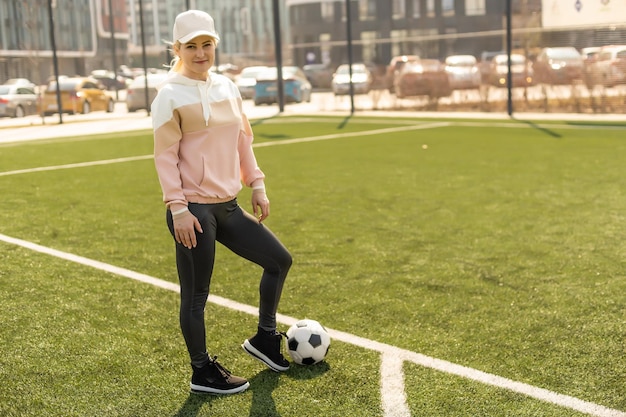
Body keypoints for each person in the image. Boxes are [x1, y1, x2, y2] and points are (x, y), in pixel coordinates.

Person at [151, 9, 293, 395]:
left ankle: (264, 338)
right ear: (177, 49)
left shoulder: (227, 86)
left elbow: (241, 140)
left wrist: (257, 184)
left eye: (207, 44)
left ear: (215, 45)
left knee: (279, 260)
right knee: (196, 296)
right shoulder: (169, 95)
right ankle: (202, 372)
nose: (201, 53)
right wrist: (177, 208)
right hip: (193, 211)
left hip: (227, 205)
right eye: (192, 46)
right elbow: (164, 156)